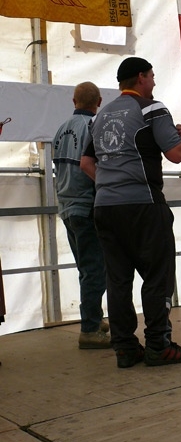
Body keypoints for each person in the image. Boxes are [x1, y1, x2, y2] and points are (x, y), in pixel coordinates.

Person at [80, 57, 181, 368]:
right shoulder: (151, 108)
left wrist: (109, 184)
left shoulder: (100, 116)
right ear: (142, 77)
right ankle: (159, 345)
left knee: (118, 279)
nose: (154, 82)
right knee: (158, 275)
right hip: (144, 205)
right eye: (152, 76)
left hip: (105, 206)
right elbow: (176, 154)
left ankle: (125, 348)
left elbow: (86, 163)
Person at [53, 82, 110, 349]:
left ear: (73, 101)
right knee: (95, 269)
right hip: (86, 205)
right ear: (99, 102)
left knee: (86, 268)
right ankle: (89, 329)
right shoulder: (94, 127)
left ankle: (94, 318)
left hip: (66, 205)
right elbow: (96, 165)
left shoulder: (61, 129)